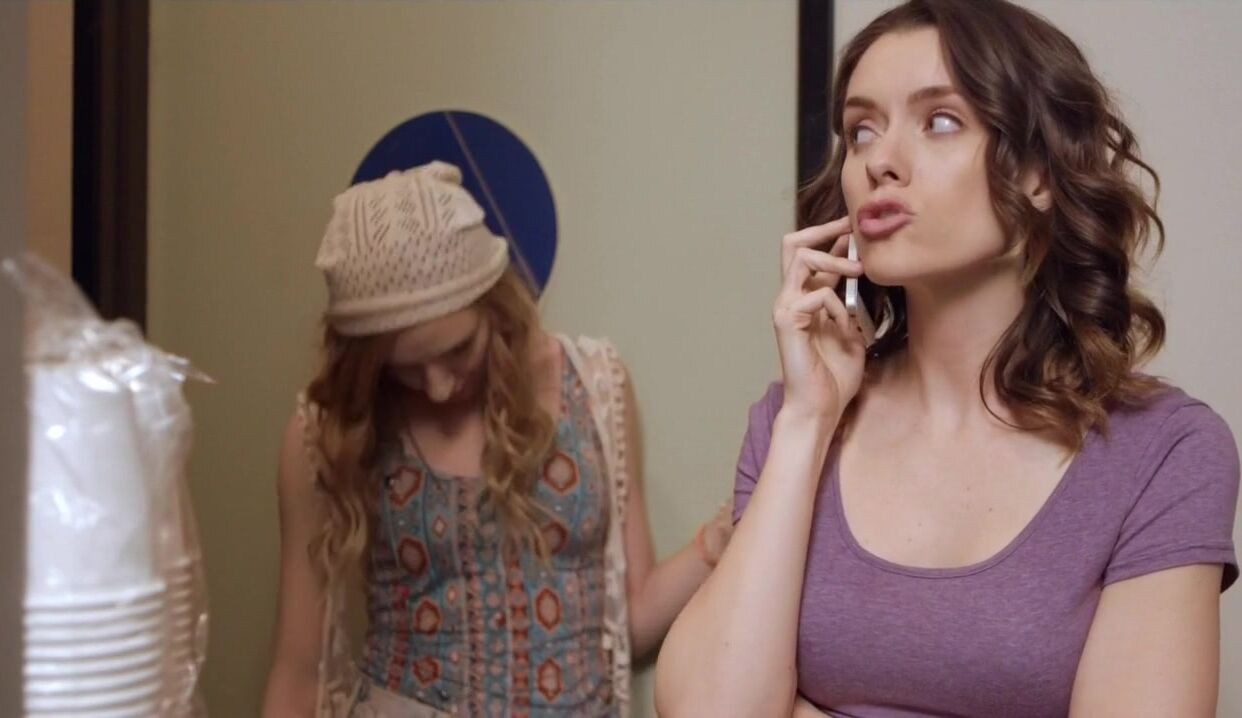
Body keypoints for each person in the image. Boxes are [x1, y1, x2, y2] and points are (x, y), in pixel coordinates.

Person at [655, 1, 1240, 716]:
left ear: (1039, 173)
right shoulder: (793, 421)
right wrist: (807, 423)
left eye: (939, 121)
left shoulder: (1165, 451)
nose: (880, 161)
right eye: (861, 130)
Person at [262, 161, 732, 717]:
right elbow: (300, 669)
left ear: (495, 307)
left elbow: (627, 621)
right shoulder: (327, 432)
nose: (437, 388)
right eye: (404, 368)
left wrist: (725, 534)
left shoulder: (596, 387)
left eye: (457, 350)